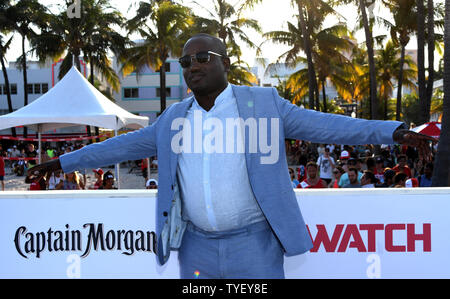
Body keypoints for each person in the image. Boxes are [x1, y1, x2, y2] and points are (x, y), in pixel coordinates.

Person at [28, 33, 436, 279]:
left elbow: (325, 124)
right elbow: (117, 146)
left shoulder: (264, 103)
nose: (193, 66)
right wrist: (62, 162)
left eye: (203, 58)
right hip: (195, 247)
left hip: (255, 246)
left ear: (226, 64)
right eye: (186, 62)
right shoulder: (172, 119)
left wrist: (390, 131)